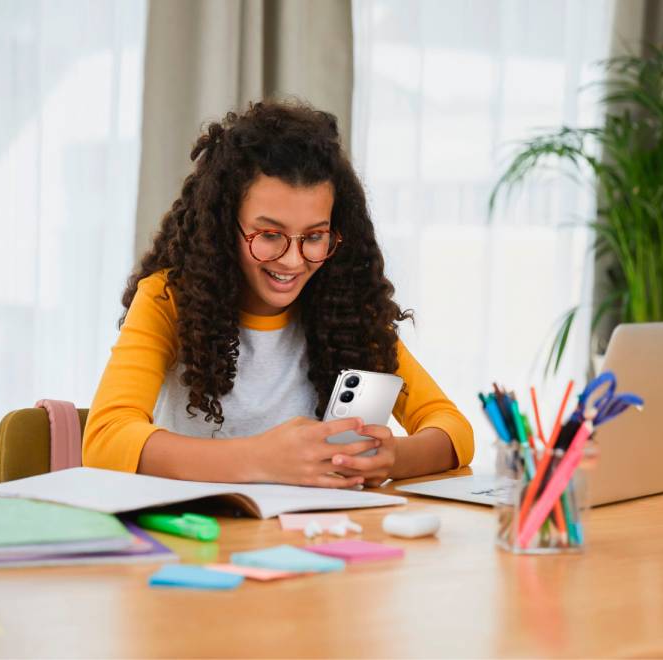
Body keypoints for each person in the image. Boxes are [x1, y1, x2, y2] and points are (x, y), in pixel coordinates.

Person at [82, 101, 473, 487]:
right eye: (269, 235)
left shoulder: (347, 307)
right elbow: (105, 438)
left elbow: (452, 428)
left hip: (316, 537)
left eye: (314, 237)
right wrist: (260, 460)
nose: (291, 260)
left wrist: (392, 459)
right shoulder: (167, 298)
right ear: (222, 227)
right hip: (200, 538)